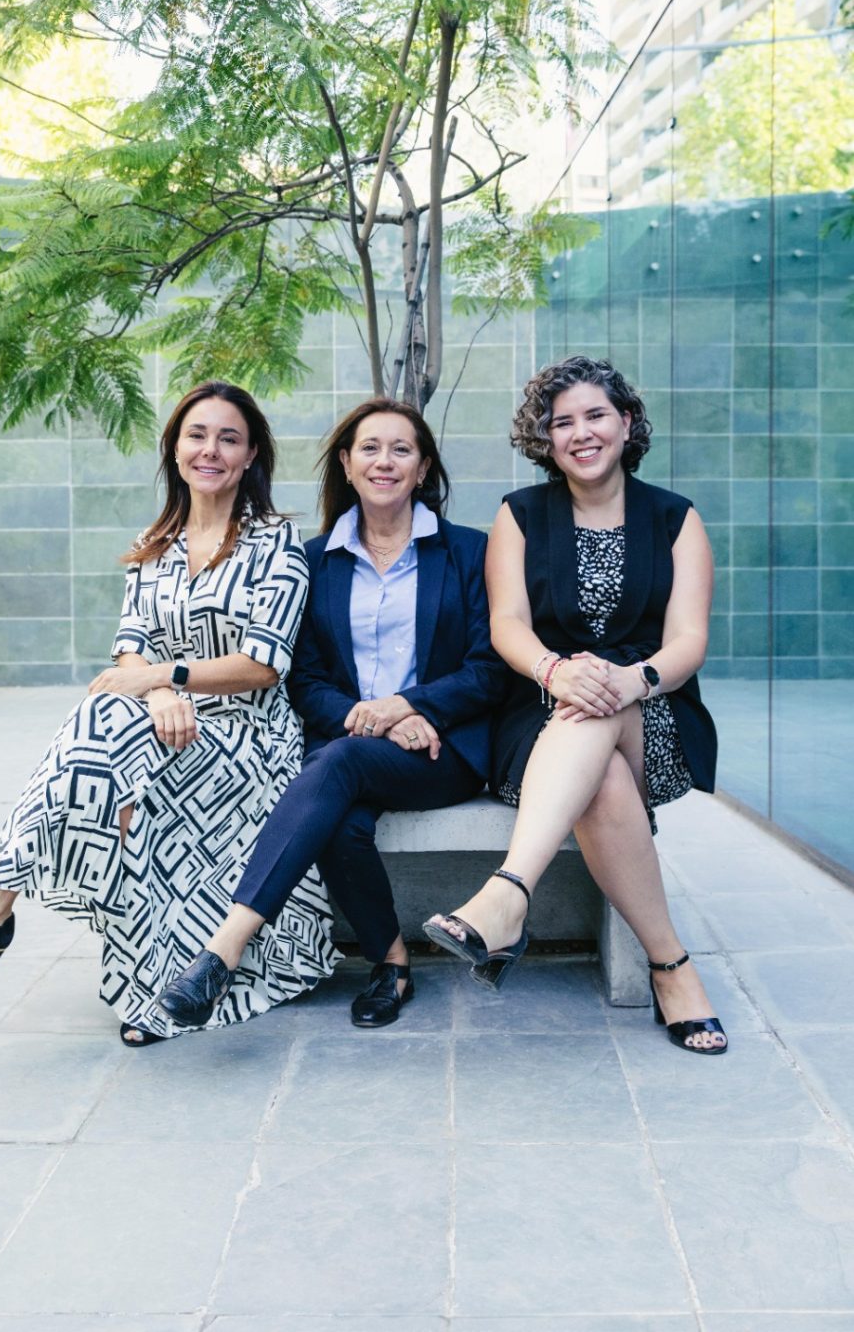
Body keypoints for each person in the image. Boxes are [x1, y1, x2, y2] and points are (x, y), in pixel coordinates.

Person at [0, 380, 337, 1045]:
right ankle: (26, 920)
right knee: (105, 725)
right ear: (175, 448)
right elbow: (130, 648)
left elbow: (263, 665)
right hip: (164, 721)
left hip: (249, 738)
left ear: (250, 457)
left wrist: (164, 676)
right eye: (197, 435)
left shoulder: (275, 541)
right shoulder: (153, 543)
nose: (210, 450)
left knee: (104, 733)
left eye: (228, 439)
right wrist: (157, 693)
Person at [156, 398, 508, 1031]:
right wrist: (375, 717)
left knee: (337, 765)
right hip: (352, 745)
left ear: (423, 467)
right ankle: (392, 964)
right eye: (369, 448)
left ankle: (223, 950)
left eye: (401, 449)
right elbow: (305, 678)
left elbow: (489, 668)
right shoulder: (313, 559)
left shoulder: (467, 552)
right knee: (341, 821)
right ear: (346, 464)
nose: (384, 461)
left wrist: (410, 705)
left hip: (439, 751)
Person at [425, 356, 727, 1055]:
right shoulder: (521, 515)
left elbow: (689, 640)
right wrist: (556, 671)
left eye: (596, 415)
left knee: (605, 700)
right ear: (546, 439)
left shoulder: (675, 519)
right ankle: (672, 968)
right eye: (563, 423)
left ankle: (508, 894)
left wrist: (633, 679)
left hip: (652, 709)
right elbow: (508, 624)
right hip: (541, 714)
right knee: (602, 773)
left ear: (627, 422)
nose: (581, 433)